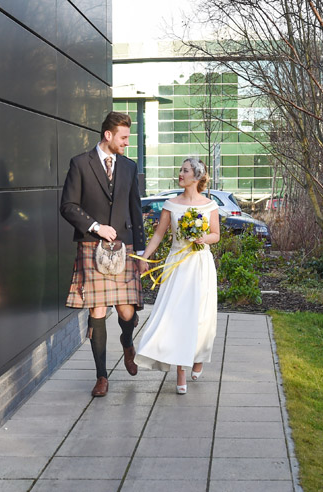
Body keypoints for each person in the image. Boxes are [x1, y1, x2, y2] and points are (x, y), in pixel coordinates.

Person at [61, 111, 146, 397]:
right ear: (108, 135)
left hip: (125, 248)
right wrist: (96, 227)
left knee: (126, 311)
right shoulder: (80, 164)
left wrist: (142, 251)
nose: (126, 143)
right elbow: (68, 206)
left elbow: (136, 209)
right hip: (92, 246)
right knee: (97, 310)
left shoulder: (130, 167)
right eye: (123, 137)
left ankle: (127, 342)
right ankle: (101, 377)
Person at [135, 157, 220, 394]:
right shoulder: (170, 205)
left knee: (201, 315)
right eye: (180, 170)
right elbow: (158, 236)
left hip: (200, 263)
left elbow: (216, 235)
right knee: (176, 314)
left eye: (185, 170)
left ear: (197, 176)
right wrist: (145, 259)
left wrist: (204, 239)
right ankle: (181, 370)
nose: (180, 174)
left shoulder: (210, 206)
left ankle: (199, 355)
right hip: (177, 264)